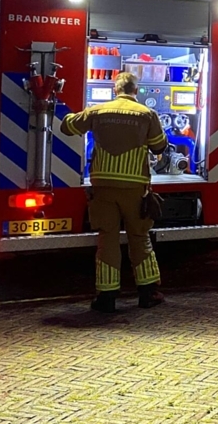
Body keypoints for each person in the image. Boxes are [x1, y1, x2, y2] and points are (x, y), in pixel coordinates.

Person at [61, 71, 168, 313]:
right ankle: (147, 293)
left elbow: (67, 126)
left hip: (103, 186)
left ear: (114, 89)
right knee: (139, 237)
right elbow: (159, 146)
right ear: (136, 91)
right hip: (134, 186)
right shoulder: (147, 114)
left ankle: (106, 297)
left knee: (107, 237)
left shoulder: (97, 111)